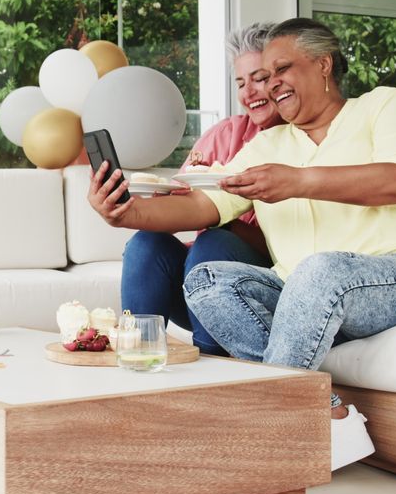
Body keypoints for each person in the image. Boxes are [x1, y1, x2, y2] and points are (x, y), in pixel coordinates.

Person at [89, 17, 396, 471]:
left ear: (323, 64)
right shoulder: (269, 145)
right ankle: (327, 410)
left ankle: (261, 435)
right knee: (207, 278)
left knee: (319, 270)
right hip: (304, 296)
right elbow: (204, 205)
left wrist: (298, 180)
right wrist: (125, 213)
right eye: (263, 74)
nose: (271, 83)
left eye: (281, 69)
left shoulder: (381, 106)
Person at [120, 22, 284, 357]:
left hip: (259, 286)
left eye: (260, 78)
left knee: (215, 241)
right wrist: (132, 200)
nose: (249, 92)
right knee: (145, 243)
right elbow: (181, 197)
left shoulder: (301, 140)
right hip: (197, 277)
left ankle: (213, 365)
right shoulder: (225, 133)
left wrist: (224, 221)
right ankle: (138, 355)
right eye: (241, 82)